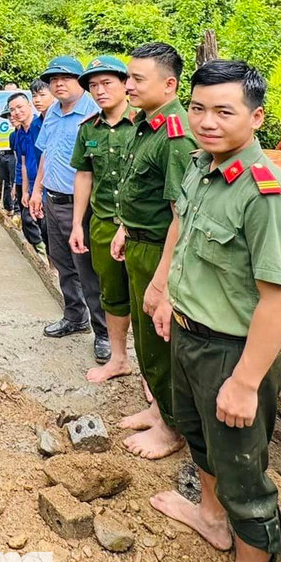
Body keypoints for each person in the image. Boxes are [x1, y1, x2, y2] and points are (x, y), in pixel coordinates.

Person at [146, 60, 281, 562]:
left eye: (223, 111)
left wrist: (244, 382)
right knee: (198, 437)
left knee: (242, 474)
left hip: (231, 352)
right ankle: (210, 518)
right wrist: (165, 290)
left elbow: (279, 302)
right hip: (188, 335)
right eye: (198, 108)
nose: (206, 121)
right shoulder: (201, 166)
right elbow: (182, 228)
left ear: (256, 117)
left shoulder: (268, 198)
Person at [110, 43, 195, 460]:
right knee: (145, 340)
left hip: (161, 252)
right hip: (139, 243)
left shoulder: (175, 136)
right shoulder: (146, 124)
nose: (128, 86)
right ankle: (158, 409)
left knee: (161, 344)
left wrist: (162, 282)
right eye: (128, 77)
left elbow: (181, 215)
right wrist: (125, 227)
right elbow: (141, 190)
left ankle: (171, 428)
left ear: (169, 84)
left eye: (137, 79)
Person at [27, 56, 107, 363]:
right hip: (52, 199)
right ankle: (75, 316)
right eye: (53, 80)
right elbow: (46, 154)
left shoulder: (95, 114)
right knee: (62, 264)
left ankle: (103, 332)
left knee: (88, 271)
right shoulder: (52, 113)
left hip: (81, 205)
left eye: (66, 78)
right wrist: (37, 191)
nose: (58, 84)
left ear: (81, 81)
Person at [68, 56, 138, 383]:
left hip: (140, 227)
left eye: (107, 83)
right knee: (111, 293)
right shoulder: (88, 129)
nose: (99, 91)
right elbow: (84, 175)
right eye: (93, 86)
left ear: (125, 84)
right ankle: (119, 358)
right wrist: (77, 224)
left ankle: (152, 375)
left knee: (146, 297)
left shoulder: (144, 125)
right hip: (103, 223)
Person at [6, 92, 44, 253]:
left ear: (29, 105)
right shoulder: (18, 133)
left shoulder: (41, 126)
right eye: (12, 110)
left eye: (20, 107)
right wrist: (24, 189)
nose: (16, 112)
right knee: (30, 220)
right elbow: (22, 163)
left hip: (45, 186)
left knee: (45, 226)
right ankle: (42, 255)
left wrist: (37, 190)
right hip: (30, 184)